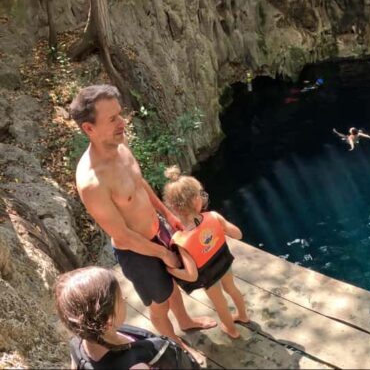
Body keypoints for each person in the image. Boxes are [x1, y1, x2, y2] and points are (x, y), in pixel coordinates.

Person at [70, 85, 215, 354]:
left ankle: (185, 321)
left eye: (119, 115)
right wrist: (163, 254)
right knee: (159, 303)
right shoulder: (91, 182)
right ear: (89, 129)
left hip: (157, 230)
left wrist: (167, 215)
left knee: (173, 284)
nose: (122, 123)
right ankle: (176, 345)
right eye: (112, 119)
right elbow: (122, 235)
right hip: (136, 252)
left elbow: (140, 184)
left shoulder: (120, 145)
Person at [162, 166, 250, 340]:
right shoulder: (214, 216)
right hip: (224, 263)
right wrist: (221, 229)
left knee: (220, 303)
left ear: (174, 208)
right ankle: (243, 316)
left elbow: (191, 274)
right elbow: (238, 234)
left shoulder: (181, 240)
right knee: (232, 289)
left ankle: (232, 330)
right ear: (197, 200)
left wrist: (170, 270)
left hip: (208, 276)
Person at [56, 266, 200, 369]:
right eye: (120, 298)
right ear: (108, 321)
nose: (124, 298)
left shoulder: (77, 343)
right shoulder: (135, 365)